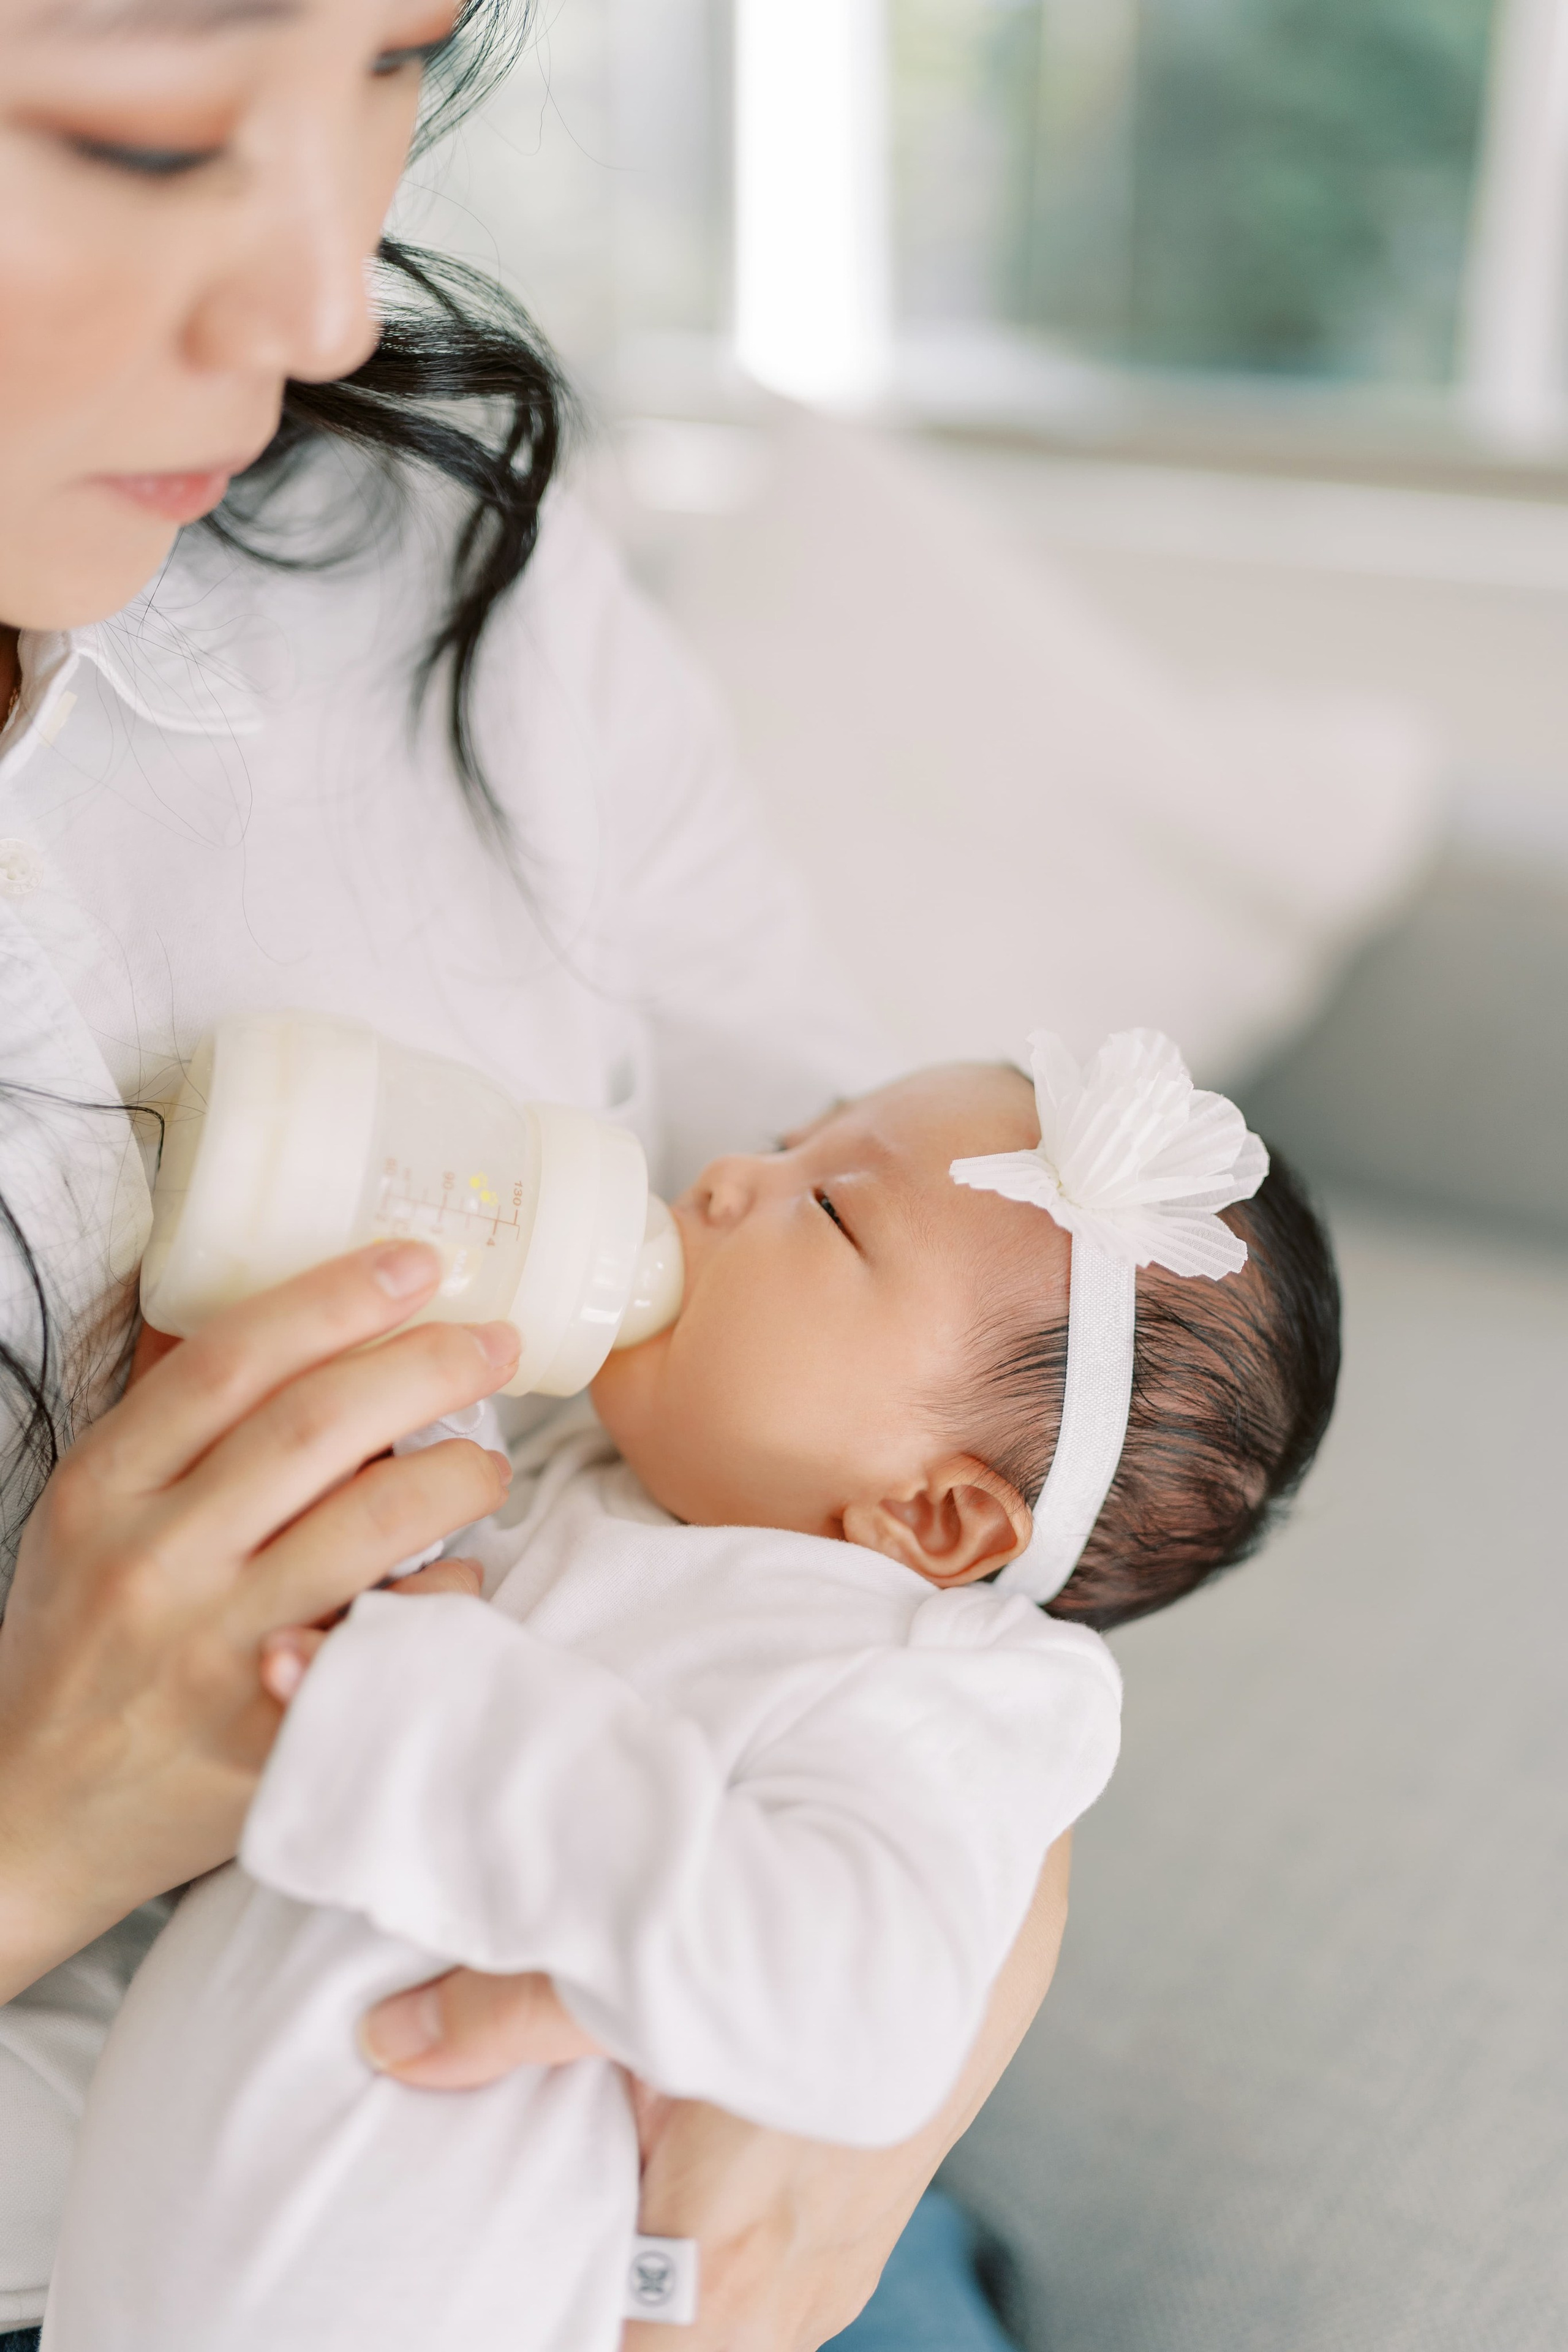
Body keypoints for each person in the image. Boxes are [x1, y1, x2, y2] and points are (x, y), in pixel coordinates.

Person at [0, 0, 1092, 2343]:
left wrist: (936, 1965)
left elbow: (983, 1348)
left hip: (640, 2165)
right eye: (143, 127)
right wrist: (44, 1828)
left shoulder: (411, 559)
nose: (332, 309)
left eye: (394, 60)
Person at [42, 1040, 1341, 2350]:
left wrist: (438, 1709)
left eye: (829, 1209)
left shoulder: (940, 1681)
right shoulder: (597, 1469)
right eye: (792, 1139)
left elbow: (861, 2008)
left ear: (935, 1515)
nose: (724, 1178)